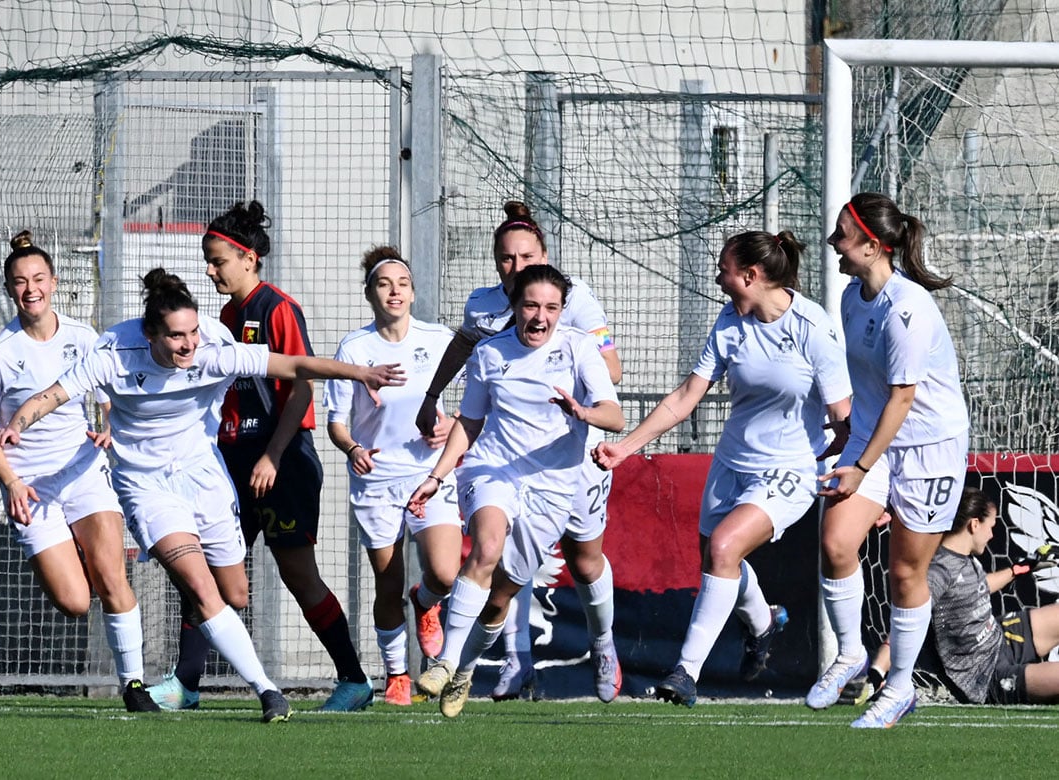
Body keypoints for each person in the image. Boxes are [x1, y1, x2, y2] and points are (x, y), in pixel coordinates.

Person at [0, 267, 403, 723]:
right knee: (201, 588)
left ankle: (195, 670)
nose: (188, 345)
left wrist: (360, 373)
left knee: (234, 593)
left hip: (204, 479)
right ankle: (266, 691)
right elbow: (50, 396)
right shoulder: (114, 354)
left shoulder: (214, 349)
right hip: (146, 487)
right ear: (150, 335)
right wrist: (16, 426)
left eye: (193, 332)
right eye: (177, 336)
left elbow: (294, 365)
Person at [593, 230, 851, 706]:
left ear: (750, 276)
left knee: (725, 547)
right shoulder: (730, 321)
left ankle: (685, 673)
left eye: (723, 270)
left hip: (791, 469)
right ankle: (763, 621)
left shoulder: (812, 327)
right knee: (717, 557)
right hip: (731, 462)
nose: (717, 278)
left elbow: (844, 414)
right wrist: (624, 448)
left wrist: (861, 472)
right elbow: (685, 398)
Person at [145, 201, 376, 712]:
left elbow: (301, 384)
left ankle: (354, 680)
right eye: (208, 262)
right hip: (234, 462)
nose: (210, 271)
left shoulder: (277, 308)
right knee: (204, 571)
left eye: (217, 261)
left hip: (282, 461)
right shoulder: (222, 319)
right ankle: (185, 685)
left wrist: (272, 455)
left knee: (298, 574)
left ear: (248, 258)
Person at [414, 201, 625, 702]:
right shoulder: (486, 314)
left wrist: (580, 406)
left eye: (526, 256)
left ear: (543, 256)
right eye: (506, 258)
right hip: (501, 462)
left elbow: (611, 376)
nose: (516, 266)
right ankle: (471, 661)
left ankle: (603, 645)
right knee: (487, 548)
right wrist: (431, 399)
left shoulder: (574, 305)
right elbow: (467, 354)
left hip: (572, 459)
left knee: (581, 561)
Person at [0, 231, 158, 713]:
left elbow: (108, 397)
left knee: (112, 577)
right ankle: (69, 547)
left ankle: (134, 686)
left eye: (38, 279)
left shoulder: (83, 338)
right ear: (9, 289)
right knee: (75, 601)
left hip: (84, 472)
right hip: (31, 489)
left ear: (54, 283)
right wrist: (11, 482)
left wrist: (110, 428)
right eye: (20, 282)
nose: (30, 289)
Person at [808, 192, 970, 729]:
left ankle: (899, 687)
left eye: (842, 234)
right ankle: (851, 654)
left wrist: (859, 468)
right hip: (873, 436)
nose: (834, 242)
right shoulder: (851, 298)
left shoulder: (907, 309)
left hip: (928, 447)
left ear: (873, 246)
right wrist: (849, 438)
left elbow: (903, 398)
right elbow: (873, 387)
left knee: (905, 572)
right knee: (836, 543)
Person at [323, 245, 462, 706]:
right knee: (387, 583)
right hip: (377, 480)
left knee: (444, 572)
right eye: (384, 284)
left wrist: (449, 424)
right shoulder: (354, 349)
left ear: (413, 293)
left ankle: (425, 602)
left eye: (402, 284)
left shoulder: (439, 339)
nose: (394, 292)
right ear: (370, 294)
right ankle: (397, 674)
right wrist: (353, 448)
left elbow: (474, 400)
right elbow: (337, 422)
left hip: (428, 472)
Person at [844, 491, 1059, 705]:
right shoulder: (938, 573)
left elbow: (977, 587)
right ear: (974, 524)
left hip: (1001, 638)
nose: (992, 535)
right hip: (986, 676)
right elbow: (906, 623)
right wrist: (876, 672)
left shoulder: (962, 558)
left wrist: (1021, 568)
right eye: (991, 527)